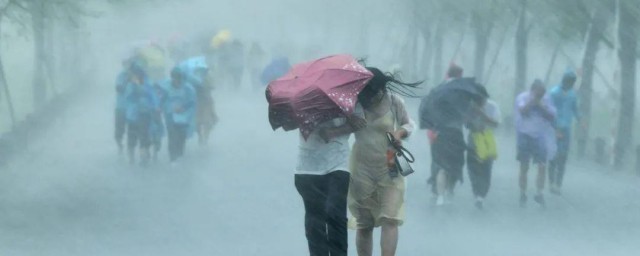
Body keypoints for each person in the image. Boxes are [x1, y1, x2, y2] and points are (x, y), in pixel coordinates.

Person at [349, 67, 420, 256]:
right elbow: (342, 128)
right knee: (365, 224)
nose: (370, 99)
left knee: (390, 218)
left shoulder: (394, 101)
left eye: (373, 94)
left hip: (390, 167)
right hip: (361, 168)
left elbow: (409, 124)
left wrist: (400, 133)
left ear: (381, 89)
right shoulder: (354, 104)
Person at [295, 112, 366, 256]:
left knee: (336, 214)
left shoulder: (348, 95)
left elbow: (360, 123)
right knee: (314, 219)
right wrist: (304, 119)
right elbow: (287, 125)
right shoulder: (302, 97)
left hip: (338, 162)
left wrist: (335, 130)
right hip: (307, 165)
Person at [430, 64, 468, 206]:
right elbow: (465, 114)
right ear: (458, 75)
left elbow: (431, 109)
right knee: (456, 163)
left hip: (440, 132)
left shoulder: (438, 90)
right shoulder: (461, 92)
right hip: (455, 133)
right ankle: (449, 189)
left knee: (442, 165)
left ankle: (440, 194)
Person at [515, 79, 557, 208]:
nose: (541, 95)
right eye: (539, 93)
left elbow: (551, 116)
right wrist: (532, 101)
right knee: (524, 166)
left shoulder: (546, 99)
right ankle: (523, 193)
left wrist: (540, 104)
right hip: (524, 135)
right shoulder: (522, 97)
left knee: (542, 166)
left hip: (540, 137)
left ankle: (539, 193)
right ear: (532, 90)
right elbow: (522, 111)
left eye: (543, 93)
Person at [466, 88, 501, 209]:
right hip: (473, 140)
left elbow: (496, 124)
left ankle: (482, 194)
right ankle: (477, 193)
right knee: (473, 168)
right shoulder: (470, 107)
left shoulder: (492, 106)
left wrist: (482, 114)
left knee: (486, 169)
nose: (481, 102)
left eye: (482, 99)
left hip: (487, 140)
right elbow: (466, 124)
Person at [548, 70, 579, 195]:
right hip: (554, 128)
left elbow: (575, 109)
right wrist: (555, 128)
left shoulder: (573, 95)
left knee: (563, 157)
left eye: (573, 81)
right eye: (570, 81)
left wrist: (580, 119)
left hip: (566, 129)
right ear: (565, 80)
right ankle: (551, 182)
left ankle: (558, 184)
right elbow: (550, 111)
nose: (572, 84)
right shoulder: (554, 93)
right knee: (554, 156)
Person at [125, 64, 158, 166]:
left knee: (144, 135)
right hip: (132, 115)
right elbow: (128, 97)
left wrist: (156, 107)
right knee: (132, 136)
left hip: (145, 113)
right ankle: (131, 157)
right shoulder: (130, 85)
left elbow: (153, 97)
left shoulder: (147, 84)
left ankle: (144, 155)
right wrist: (135, 87)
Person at [162, 67, 196, 165]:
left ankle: (179, 154)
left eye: (179, 78)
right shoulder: (166, 88)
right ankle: (172, 158)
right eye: (174, 77)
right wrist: (169, 108)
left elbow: (192, 102)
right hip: (170, 117)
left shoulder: (188, 89)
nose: (176, 80)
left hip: (184, 118)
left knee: (181, 137)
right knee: (172, 136)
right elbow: (162, 101)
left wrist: (183, 108)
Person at [115, 60, 131, 154]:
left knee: (132, 129)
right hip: (121, 107)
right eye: (126, 64)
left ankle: (130, 147)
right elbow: (119, 88)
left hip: (132, 108)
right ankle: (119, 144)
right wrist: (127, 80)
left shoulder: (138, 76)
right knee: (119, 129)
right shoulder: (121, 76)